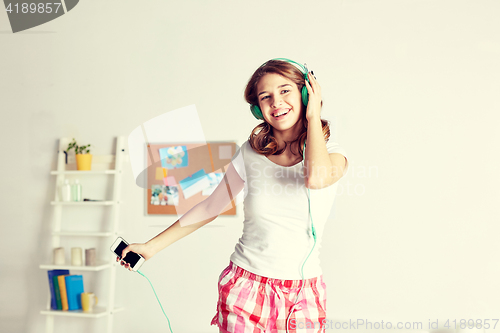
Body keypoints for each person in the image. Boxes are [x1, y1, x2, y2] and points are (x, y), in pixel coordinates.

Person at [117, 58, 349, 333]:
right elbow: (210, 207)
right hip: (246, 287)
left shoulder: (334, 153)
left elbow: (316, 178)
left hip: (303, 294)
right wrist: (150, 247)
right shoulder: (250, 153)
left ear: (306, 93)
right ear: (257, 109)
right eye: (266, 97)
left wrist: (313, 117)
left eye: (285, 91)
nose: (276, 102)